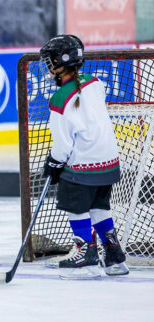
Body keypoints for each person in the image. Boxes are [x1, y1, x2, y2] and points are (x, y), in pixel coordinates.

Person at [40, 34, 128, 279]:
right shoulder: (95, 82)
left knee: (76, 207)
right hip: (109, 161)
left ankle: (86, 257)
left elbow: (63, 145)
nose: (48, 65)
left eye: (50, 60)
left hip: (83, 165)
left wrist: (54, 163)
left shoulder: (59, 99)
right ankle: (114, 257)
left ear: (60, 62)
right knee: (100, 206)